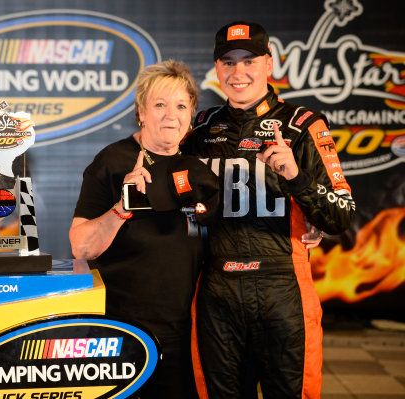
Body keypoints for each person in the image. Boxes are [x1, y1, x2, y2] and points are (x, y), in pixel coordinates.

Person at [182, 21, 356, 398]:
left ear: (269, 64)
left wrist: (296, 177)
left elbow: (341, 215)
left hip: (284, 289)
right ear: (216, 68)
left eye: (249, 60)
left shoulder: (304, 125)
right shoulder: (198, 129)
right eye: (228, 62)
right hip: (217, 290)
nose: (238, 72)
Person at [69, 59, 218, 398]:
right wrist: (122, 207)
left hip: (185, 336)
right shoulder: (113, 161)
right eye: (160, 105)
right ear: (141, 112)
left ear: (192, 113)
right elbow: (81, 246)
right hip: (121, 335)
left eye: (181, 105)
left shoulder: (198, 169)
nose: (171, 114)